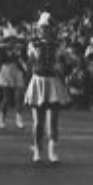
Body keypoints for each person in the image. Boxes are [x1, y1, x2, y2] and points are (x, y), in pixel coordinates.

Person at [23, 15, 67, 165]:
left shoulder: (58, 44)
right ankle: (37, 151)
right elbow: (29, 63)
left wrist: (61, 66)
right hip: (38, 81)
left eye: (47, 27)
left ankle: (52, 152)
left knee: (53, 121)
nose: (45, 30)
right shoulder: (33, 44)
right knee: (38, 122)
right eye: (43, 27)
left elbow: (63, 62)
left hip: (53, 82)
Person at [0, 44, 27, 131]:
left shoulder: (19, 50)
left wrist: (22, 64)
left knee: (19, 97)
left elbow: (23, 61)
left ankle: (19, 120)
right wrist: (9, 54)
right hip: (6, 72)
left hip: (17, 73)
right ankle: (1, 119)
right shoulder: (2, 51)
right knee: (7, 98)